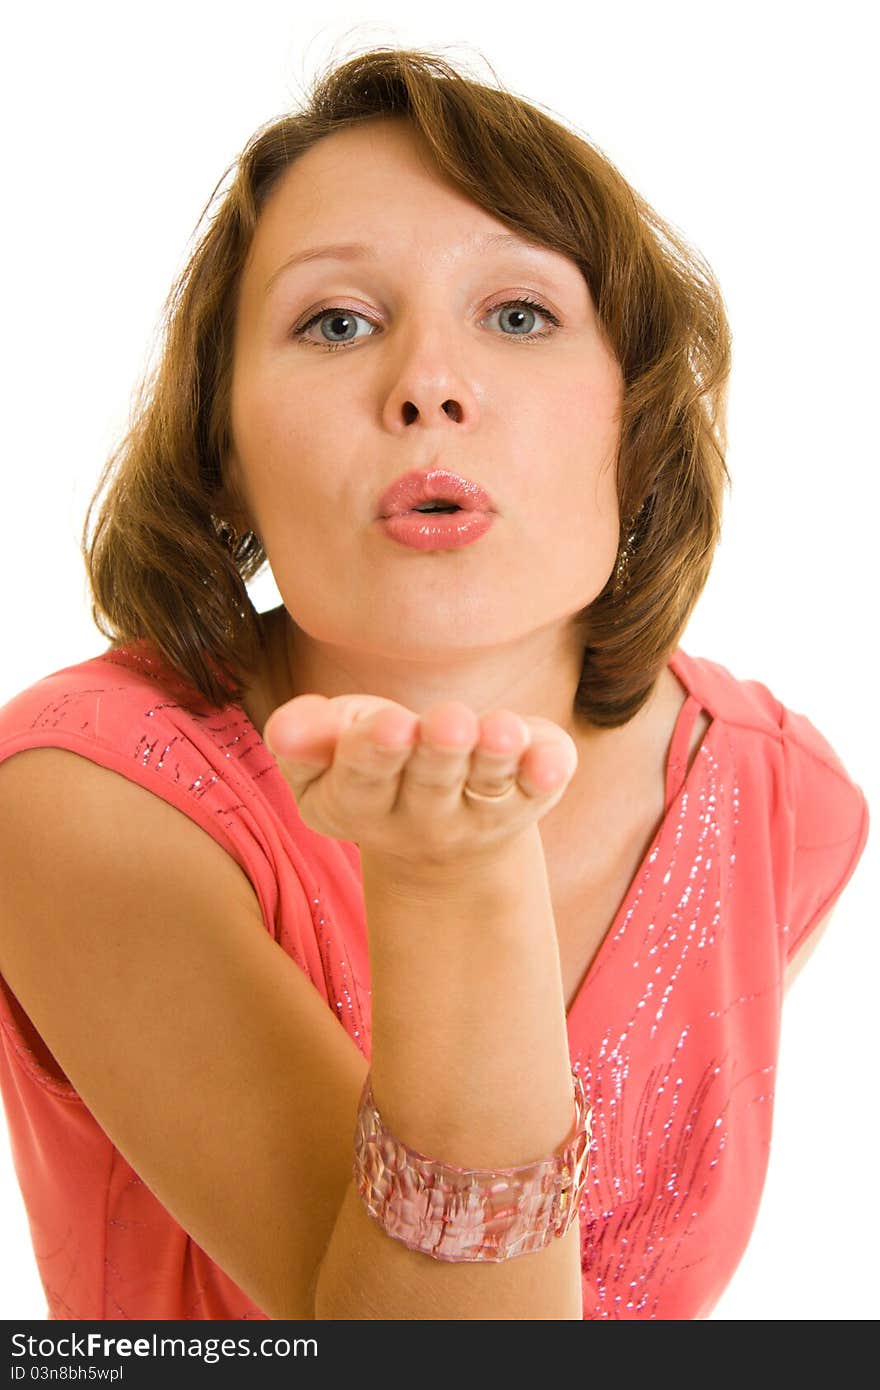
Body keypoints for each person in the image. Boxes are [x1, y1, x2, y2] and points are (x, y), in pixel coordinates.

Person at [0, 46, 869, 1322]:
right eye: (336, 322)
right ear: (222, 447)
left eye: (518, 316)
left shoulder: (779, 797)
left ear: (631, 418)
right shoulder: (79, 804)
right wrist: (452, 881)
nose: (428, 387)